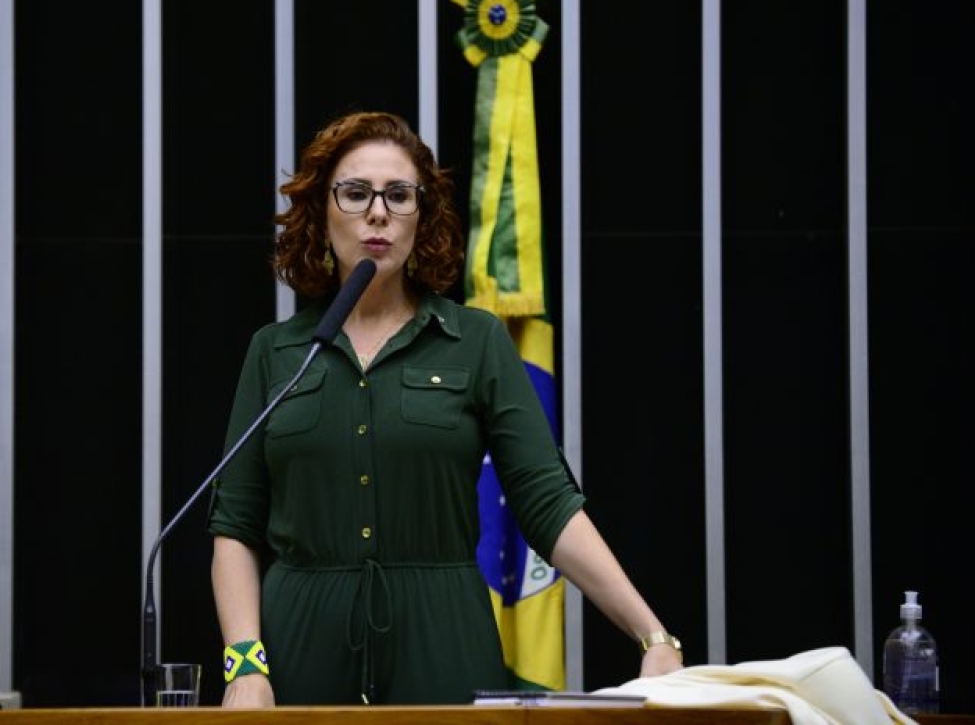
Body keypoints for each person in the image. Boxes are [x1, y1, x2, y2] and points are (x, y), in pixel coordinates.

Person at [208, 110, 683, 707]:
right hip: (297, 652)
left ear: (421, 218)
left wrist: (652, 633)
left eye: (399, 195)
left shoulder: (477, 342)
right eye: (355, 193)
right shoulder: (275, 353)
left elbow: (548, 502)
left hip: (444, 644)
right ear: (321, 211)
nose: (377, 212)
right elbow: (235, 526)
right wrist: (245, 663)